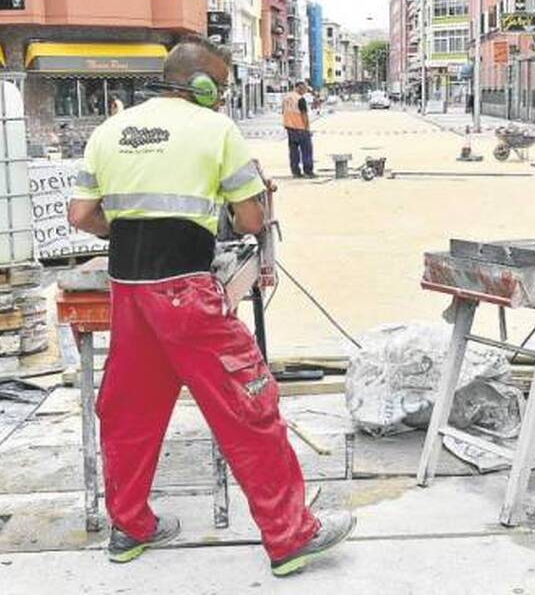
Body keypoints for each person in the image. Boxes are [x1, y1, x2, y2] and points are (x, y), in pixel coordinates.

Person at [66, 37, 354, 576]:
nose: (222, 97)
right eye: (219, 87)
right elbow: (248, 221)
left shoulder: (110, 130)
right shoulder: (216, 129)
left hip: (128, 290)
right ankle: (291, 536)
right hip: (186, 296)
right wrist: (245, 202)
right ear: (202, 85)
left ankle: (130, 526)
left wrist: (130, 230)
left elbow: (81, 213)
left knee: (128, 414)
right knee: (248, 406)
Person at [282, 81, 315, 178]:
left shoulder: (286, 97)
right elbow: (304, 114)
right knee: (306, 150)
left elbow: (283, 111)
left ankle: (295, 172)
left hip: (289, 127)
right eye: (304, 89)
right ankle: (308, 171)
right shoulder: (300, 99)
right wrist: (307, 128)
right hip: (300, 128)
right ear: (299, 88)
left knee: (293, 152)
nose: (305, 91)